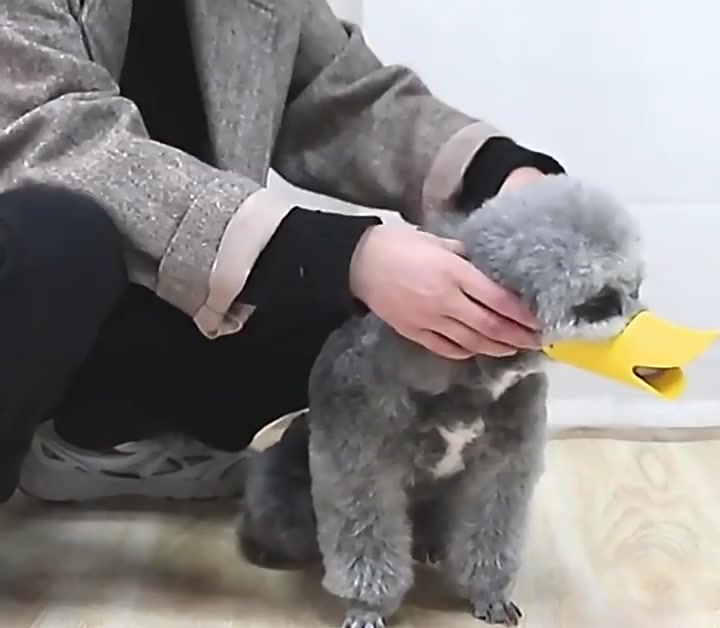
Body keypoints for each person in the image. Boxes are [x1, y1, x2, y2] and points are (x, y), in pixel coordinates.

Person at [0, 0, 564, 504]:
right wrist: (344, 256)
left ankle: (100, 432)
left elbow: (341, 98)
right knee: (56, 238)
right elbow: (60, 138)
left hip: (125, 296)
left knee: (374, 337)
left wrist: (495, 172)